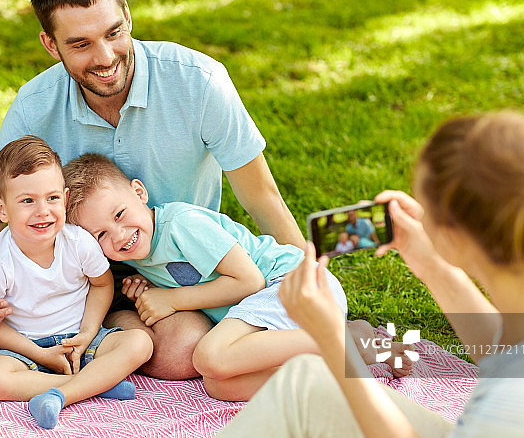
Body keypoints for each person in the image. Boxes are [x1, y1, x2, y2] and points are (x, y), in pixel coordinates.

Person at [0, 0, 305, 382]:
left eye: (113, 33)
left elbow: (260, 195)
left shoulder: (199, 82)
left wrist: (306, 283)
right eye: (80, 44)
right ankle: (15, 279)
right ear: (51, 44)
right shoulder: (35, 105)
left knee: (181, 354)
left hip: (161, 265)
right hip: (52, 252)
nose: (105, 57)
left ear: (128, 17)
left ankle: (102, 319)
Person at [168, 111, 524, 438]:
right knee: (304, 381)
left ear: (455, 234)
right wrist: (427, 261)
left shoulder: (517, 402)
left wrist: (334, 340)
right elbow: (510, 351)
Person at [62, 153, 411, 401]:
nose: (119, 235)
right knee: (219, 385)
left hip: (291, 285)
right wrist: (150, 288)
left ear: (140, 193)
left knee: (209, 357)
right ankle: (350, 355)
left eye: (120, 214)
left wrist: (172, 299)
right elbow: (189, 277)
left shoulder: (181, 225)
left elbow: (250, 281)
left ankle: (344, 344)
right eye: (100, 236)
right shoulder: (141, 252)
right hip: (271, 315)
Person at [0, 136, 152, 429]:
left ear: (65, 199)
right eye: (27, 201)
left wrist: (87, 332)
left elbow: (102, 284)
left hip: (83, 340)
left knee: (139, 342)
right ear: (2, 209)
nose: (43, 211)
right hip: (26, 348)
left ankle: (62, 392)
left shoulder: (78, 242)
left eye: (52, 198)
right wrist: (40, 354)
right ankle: (92, 383)